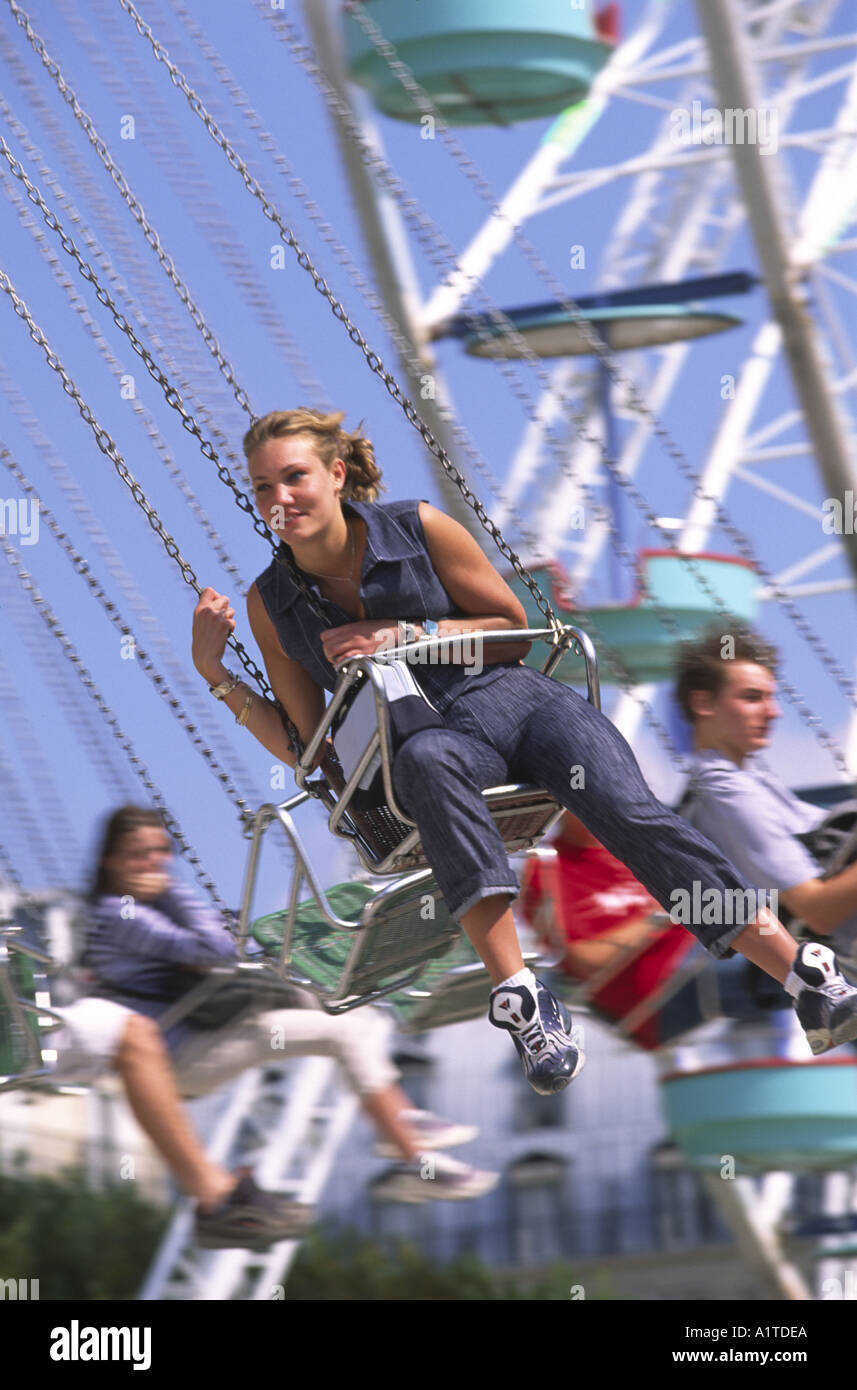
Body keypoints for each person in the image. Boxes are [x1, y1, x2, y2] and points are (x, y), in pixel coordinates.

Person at [191, 407, 857, 1092]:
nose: (279, 500)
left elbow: (514, 631)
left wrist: (404, 634)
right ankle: (521, 998)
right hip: (433, 743)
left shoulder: (416, 527)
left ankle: (801, 972)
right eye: (262, 488)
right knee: (425, 763)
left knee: (631, 817)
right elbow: (310, 748)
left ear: (334, 475)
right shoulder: (271, 604)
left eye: (293, 478)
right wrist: (218, 677)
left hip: (517, 704)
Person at [52, 806, 497, 1249]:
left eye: (161, 852)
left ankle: (399, 1125)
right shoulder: (119, 913)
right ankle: (412, 1157)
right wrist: (171, 892)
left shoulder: (146, 904)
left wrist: (171, 896)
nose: (154, 863)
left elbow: (217, 946)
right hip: (180, 1058)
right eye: (138, 854)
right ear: (111, 861)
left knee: (351, 1015)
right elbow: (216, 948)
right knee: (346, 1034)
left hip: (206, 1032)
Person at [520, 812, 791, 1051]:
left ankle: (815, 973)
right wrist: (654, 919)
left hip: (699, 951)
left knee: (787, 919)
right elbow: (585, 960)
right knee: (779, 954)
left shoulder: (630, 846)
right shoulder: (548, 866)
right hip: (654, 995)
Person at [675, 627, 857, 977]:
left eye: (771, 698)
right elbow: (816, 909)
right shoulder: (724, 794)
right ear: (703, 704)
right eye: (752, 697)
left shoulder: (751, 778)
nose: (774, 713)